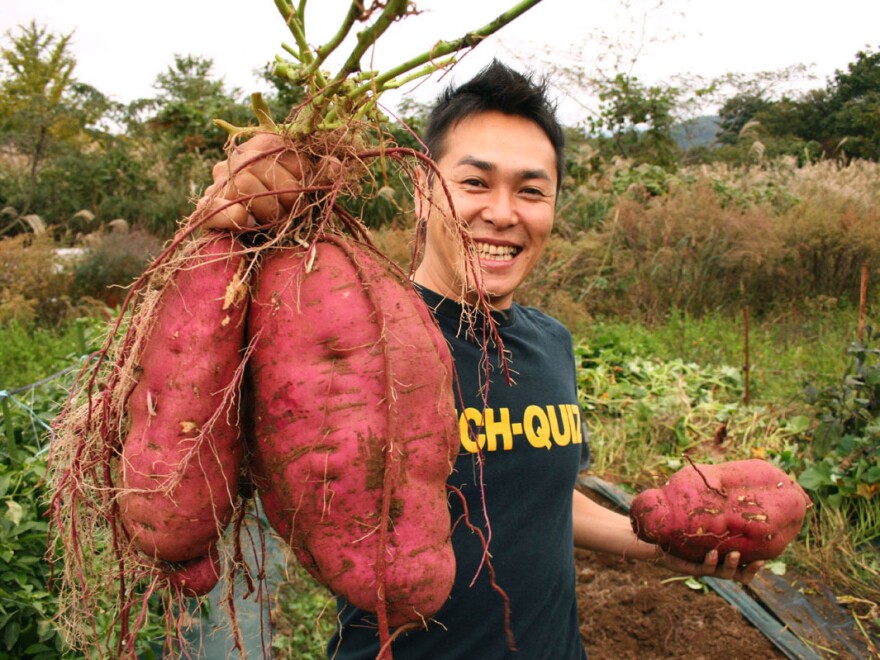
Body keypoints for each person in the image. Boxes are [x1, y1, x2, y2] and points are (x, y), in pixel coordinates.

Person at [197, 60, 763, 659]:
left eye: (531, 190)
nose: (502, 212)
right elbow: (208, 424)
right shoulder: (350, 344)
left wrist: (658, 545)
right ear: (422, 191)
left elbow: (542, 499)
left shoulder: (552, 344)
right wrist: (236, 230)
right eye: (473, 183)